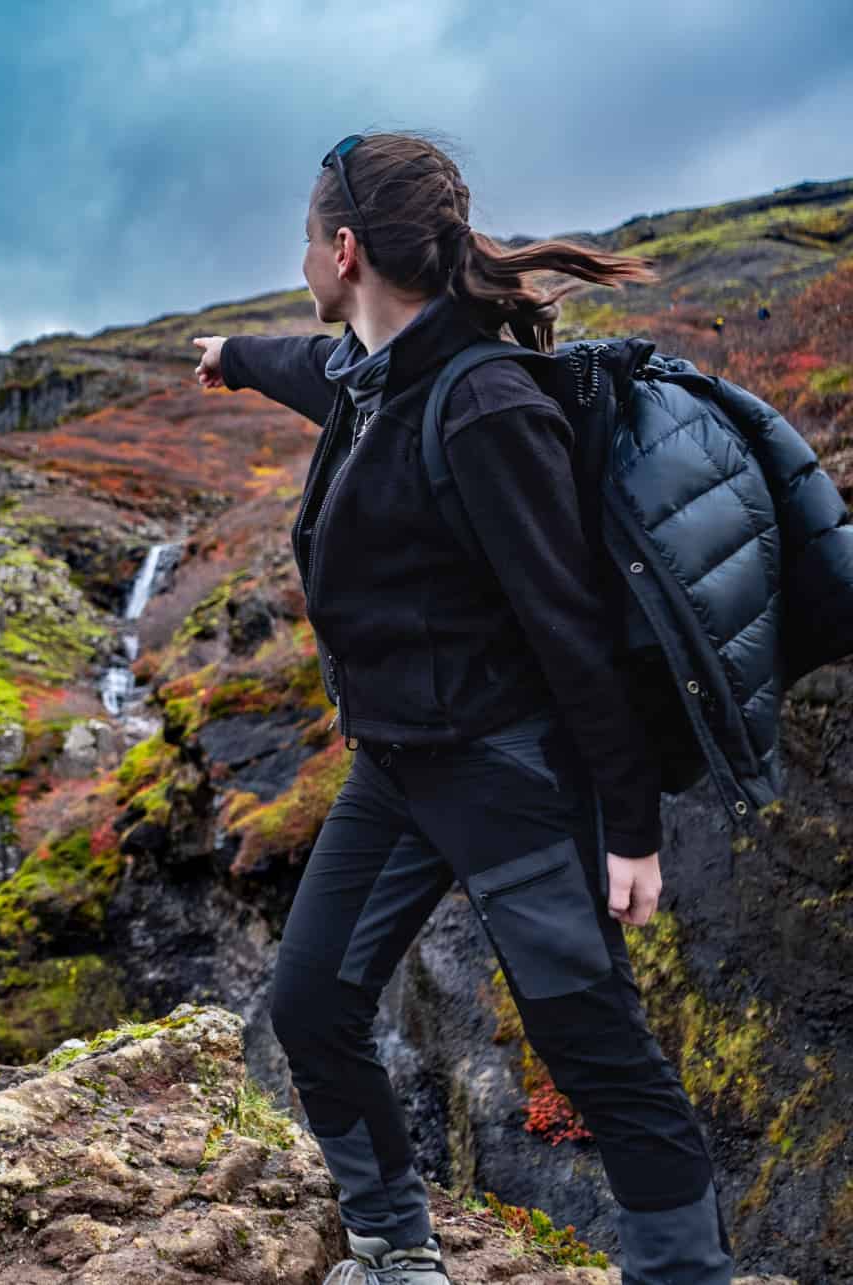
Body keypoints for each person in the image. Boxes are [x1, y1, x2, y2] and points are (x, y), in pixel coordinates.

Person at [189, 132, 733, 1284]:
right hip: (399, 769)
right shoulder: (373, 368)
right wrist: (234, 353)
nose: (300, 266)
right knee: (311, 1007)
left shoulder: (485, 402)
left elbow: (572, 629)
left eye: (304, 242)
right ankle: (395, 1251)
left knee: (596, 1052)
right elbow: (314, 368)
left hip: (510, 777)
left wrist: (629, 828)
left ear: (343, 250)